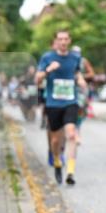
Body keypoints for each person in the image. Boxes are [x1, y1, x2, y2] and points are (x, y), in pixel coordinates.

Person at [36, 30, 87, 185]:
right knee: (55, 140)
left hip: (71, 102)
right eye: (60, 39)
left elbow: (77, 73)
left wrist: (80, 80)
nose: (63, 42)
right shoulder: (47, 57)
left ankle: (70, 172)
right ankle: (57, 159)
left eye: (66, 39)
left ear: (69, 40)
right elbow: (37, 80)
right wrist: (48, 70)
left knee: (71, 134)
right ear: (56, 41)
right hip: (53, 104)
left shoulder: (75, 58)